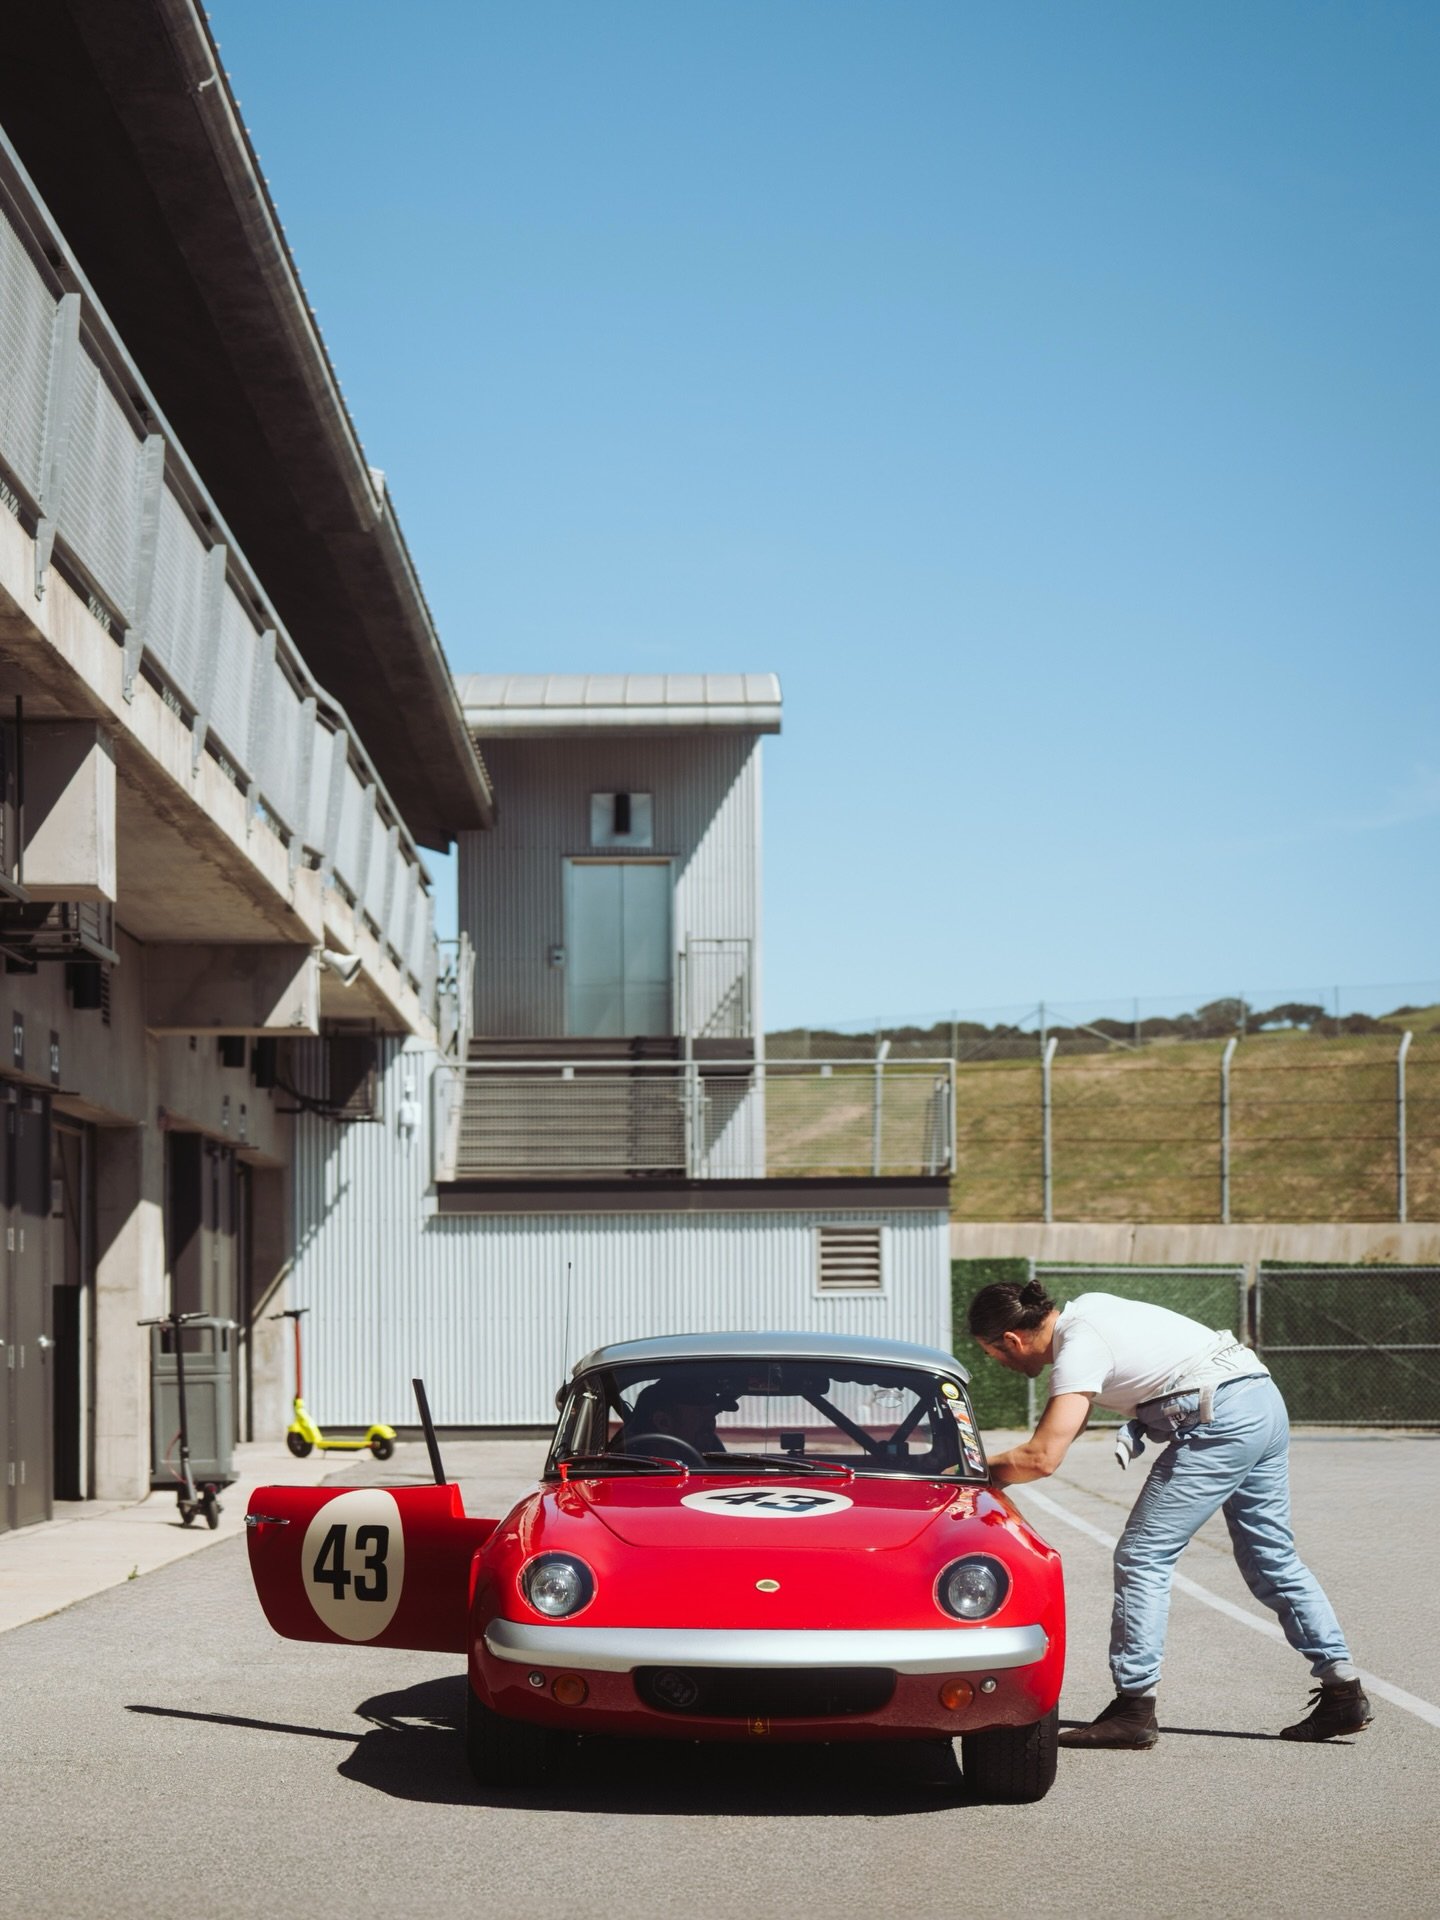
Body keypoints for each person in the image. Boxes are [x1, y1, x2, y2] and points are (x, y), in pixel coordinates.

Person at [968, 1277, 1371, 1749]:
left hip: (1217, 1416)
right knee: (1272, 1558)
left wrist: (967, 1471)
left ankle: (1134, 1709)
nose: (996, 1362)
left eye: (990, 1352)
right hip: (1260, 1399)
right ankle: (1344, 1691)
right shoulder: (1091, 1309)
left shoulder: (1079, 1346)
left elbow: (1041, 1458)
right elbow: (1064, 1434)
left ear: (1011, 1340)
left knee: (1142, 1556)